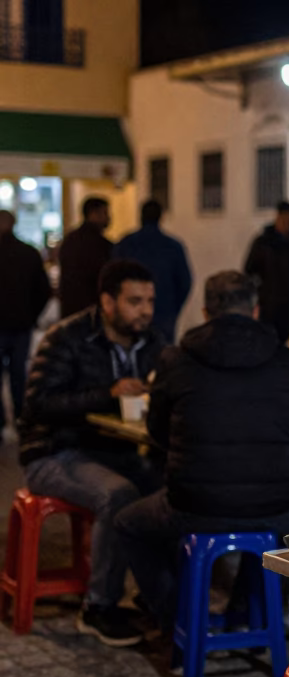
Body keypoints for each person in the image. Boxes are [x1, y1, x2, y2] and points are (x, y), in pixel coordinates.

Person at [115, 270, 289, 630]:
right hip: (276, 506)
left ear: (205, 312)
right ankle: (246, 613)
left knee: (128, 523)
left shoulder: (175, 360)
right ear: (255, 310)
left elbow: (158, 431)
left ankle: (181, 618)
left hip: (195, 506)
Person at [19, 260, 166, 647]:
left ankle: (157, 597)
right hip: (54, 451)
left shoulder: (154, 341)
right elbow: (37, 405)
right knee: (118, 495)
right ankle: (98, 607)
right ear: (108, 301)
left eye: (150, 300)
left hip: (116, 450)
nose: (146, 311)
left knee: (173, 489)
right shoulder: (66, 337)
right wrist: (108, 394)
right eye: (135, 301)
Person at [0, 210, 52, 439]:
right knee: (18, 373)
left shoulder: (28, 253)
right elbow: (43, 290)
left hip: (11, 323)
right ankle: (22, 418)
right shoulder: (28, 253)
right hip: (22, 323)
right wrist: (32, 315)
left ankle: (1, 421)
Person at [113, 199, 193, 343]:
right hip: (164, 313)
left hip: (130, 312)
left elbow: (113, 277)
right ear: (161, 217)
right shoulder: (173, 246)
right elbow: (185, 282)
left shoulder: (125, 244)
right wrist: (174, 308)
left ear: (140, 216)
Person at [244, 200, 289, 343]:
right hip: (271, 308)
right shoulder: (263, 243)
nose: (286, 222)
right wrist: (262, 293)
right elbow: (250, 271)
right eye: (283, 218)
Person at [59, 196, 113, 318]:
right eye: (105, 213)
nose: (109, 218)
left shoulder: (70, 241)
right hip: (94, 311)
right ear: (93, 214)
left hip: (70, 311)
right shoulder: (101, 244)